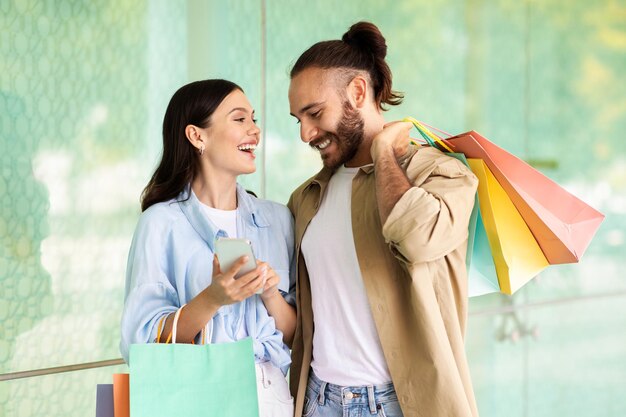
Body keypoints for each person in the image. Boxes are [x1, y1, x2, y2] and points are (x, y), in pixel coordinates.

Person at [287, 22, 480, 417]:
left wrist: (384, 153)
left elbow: (417, 238)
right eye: (298, 120)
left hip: (400, 404)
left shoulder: (442, 175)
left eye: (314, 113)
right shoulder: (306, 197)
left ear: (358, 92)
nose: (305, 133)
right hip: (318, 400)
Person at [120, 79, 295, 416]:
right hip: (197, 399)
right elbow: (142, 344)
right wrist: (214, 298)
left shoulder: (278, 220)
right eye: (240, 119)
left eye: (254, 119)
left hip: (272, 399)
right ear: (197, 136)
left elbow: (293, 337)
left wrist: (271, 293)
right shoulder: (160, 223)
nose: (255, 131)